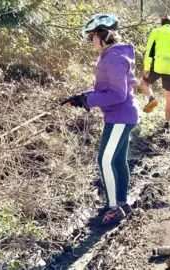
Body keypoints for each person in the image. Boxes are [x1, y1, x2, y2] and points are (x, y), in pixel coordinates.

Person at [64, 13, 140, 226]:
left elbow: (117, 94)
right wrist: (83, 97)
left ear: (103, 35)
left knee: (105, 160)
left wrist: (87, 101)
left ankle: (114, 207)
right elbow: (107, 89)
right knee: (117, 160)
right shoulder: (112, 55)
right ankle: (122, 202)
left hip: (120, 116)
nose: (91, 41)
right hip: (122, 115)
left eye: (92, 36)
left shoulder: (114, 57)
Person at [139, 14, 170, 130]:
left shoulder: (156, 32)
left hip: (157, 65)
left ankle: (151, 98)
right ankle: (167, 124)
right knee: (169, 98)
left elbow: (149, 51)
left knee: (143, 83)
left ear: (162, 23)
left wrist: (147, 68)